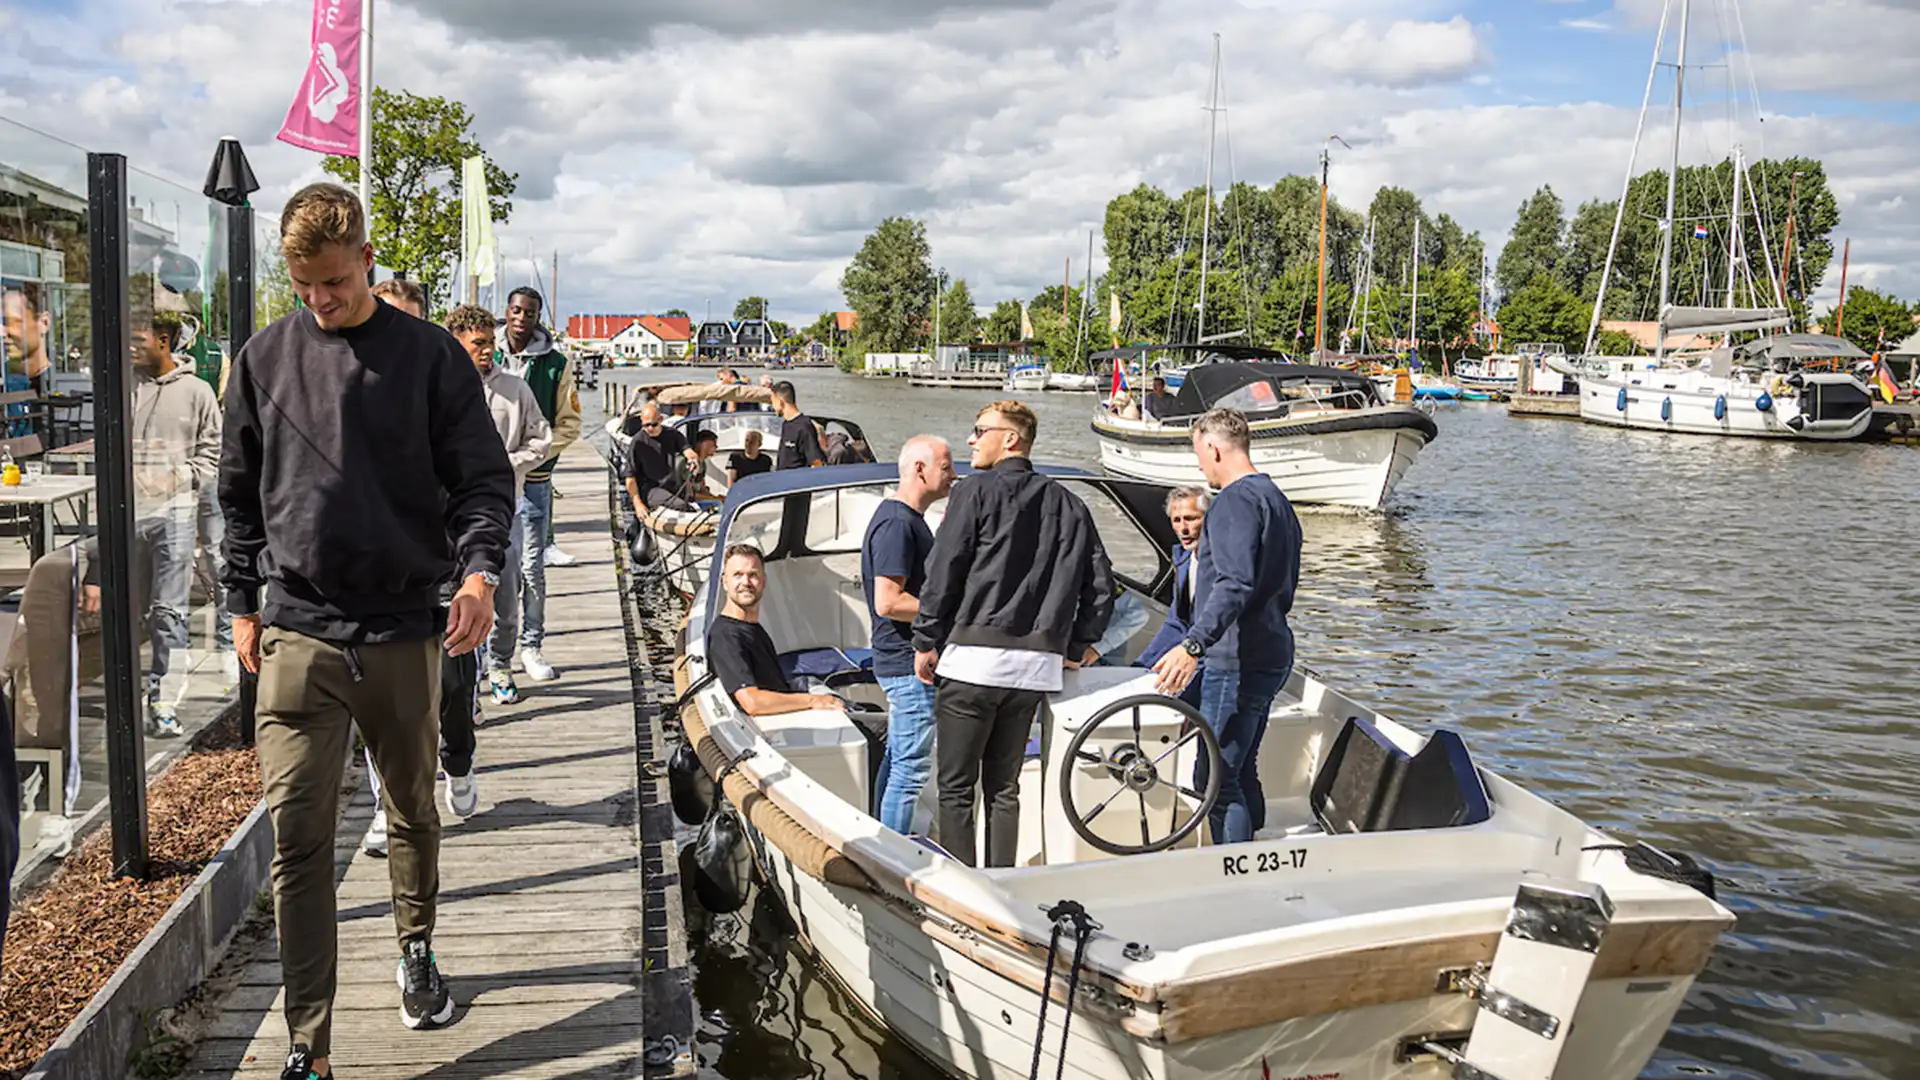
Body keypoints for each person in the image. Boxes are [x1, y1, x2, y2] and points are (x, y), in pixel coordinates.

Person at [220, 182, 513, 1080]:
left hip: (401, 630)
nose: (320, 301)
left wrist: (479, 572)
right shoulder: (262, 359)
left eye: (336, 284)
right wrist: (240, 606)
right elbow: (236, 498)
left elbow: (481, 483)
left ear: (368, 263)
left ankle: (416, 947)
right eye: (305, 286)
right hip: (297, 632)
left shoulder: (430, 358)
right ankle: (309, 1047)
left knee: (411, 807)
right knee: (297, 840)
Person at [911, 401, 1113, 868]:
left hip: (971, 664)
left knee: (957, 787)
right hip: (1033, 670)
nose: (971, 440)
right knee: (1005, 788)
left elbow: (943, 572)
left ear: (1011, 438)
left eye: (979, 430)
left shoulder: (973, 493)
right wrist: (1079, 645)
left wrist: (925, 639)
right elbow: (1101, 586)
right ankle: (1003, 881)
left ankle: (963, 884)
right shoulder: (1071, 504)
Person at [1152, 408, 1301, 845]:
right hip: (1273, 650)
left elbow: (1235, 583)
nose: (1200, 465)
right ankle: (1251, 860)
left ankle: (1233, 874)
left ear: (1214, 448)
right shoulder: (1276, 499)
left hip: (1236, 659)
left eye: (1200, 455)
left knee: (1215, 781)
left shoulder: (1234, 502)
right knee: (1241, 767)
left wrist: (1193, 645)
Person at [448, 304, 554, 708]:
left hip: (503, 508)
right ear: (456, 344)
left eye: (490, 342)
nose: (488, 350)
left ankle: (500, 666)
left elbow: (541, 439)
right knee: (453, 597)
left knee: (504, 593)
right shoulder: (439, 388)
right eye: (478, 344)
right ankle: (464, 683)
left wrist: (508, 465)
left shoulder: (515, 388)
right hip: (449, 514)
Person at [132, 310, 222, 737]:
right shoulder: (123, 386)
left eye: (139, 338)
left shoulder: (197, 392)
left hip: (175, 515)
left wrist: (175, 477)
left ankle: (164, 702)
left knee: (170, 612)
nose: (132, 346)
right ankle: (127, 695)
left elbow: (213, 454)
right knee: (127, 611)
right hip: (125, 515)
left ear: (164, 340)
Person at [863, 435, 954, 834]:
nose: (953, 475)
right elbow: (888, 602)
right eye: (947, 467)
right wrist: (953, 607)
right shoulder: (899, 524)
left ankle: (880, 835)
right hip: (907, 664)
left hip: (899, 660)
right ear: (920, 469)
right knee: (911, 770)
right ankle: (892, 859)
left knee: (898, 758)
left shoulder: (908, 520)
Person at [497, 287, 580, 681]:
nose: (520, 318)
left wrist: (534, 456)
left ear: (537, 316)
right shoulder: (485, 353)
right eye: (515, 310)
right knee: (492, 566)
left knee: (532, 567)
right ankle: (492, 655)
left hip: (533, 480)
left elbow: (570, 423)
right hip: (488, 481)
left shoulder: (556, 365)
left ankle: (531, 646)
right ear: (507, 312)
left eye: (529, 312)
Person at [707, 544, 846, 716]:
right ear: (725, 582)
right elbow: (752, 702)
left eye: (753, 575)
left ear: (763, 582)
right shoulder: (726, 636)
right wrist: (814, 700)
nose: (746, 582)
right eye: (738, 575)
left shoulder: (752, 628)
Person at [1138, 487, 1208, 670]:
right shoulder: (1183, 559)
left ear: (1210, 519)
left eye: (1191, 518)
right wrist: (1141, 666)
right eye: (1176, 520)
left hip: (1216, 660)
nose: (1183, 528)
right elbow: (1177, 623)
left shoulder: (1226, 564)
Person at [620, 402, 701, 514]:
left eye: (654, 424)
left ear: (661, 419)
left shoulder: (673, 434)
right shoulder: (638, 442)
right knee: (681, 505)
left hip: (672, 485)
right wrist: (638, 504)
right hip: (650, 490)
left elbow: (688, 451)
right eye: (646, 425)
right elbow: (630, 477)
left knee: (690, 500)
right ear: (641, 423)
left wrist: (693, 460)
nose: (650, 428)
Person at [771, 380, 825, 469]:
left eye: (773, 402)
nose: (772, 406)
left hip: (796, 480)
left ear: (780, 402)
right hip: (782, 479)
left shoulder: (804, 426)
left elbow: (817, 462)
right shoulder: (786, 424)